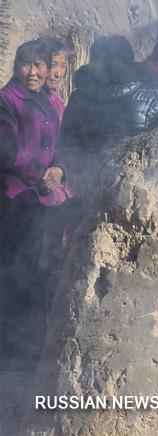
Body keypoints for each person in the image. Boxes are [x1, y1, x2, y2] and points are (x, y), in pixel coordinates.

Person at [0, 40, 71, 368]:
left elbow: (56, 143)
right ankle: (14, 350)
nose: (33, 72)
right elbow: (7, 150)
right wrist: (40, 173)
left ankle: (34, 344)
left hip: (45, 198)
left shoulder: (49, 100)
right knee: (18, 272)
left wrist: (58, 168)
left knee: (41, 270)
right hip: (16, 199)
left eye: (39, 65)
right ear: (16, 66)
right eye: (25, 64)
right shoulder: (6, 100)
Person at [60, 36, 158, 190]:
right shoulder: (152, 91)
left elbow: (67, 143)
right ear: (130, 59)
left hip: (91, 188)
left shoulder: (80, 96)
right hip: (143, 186)